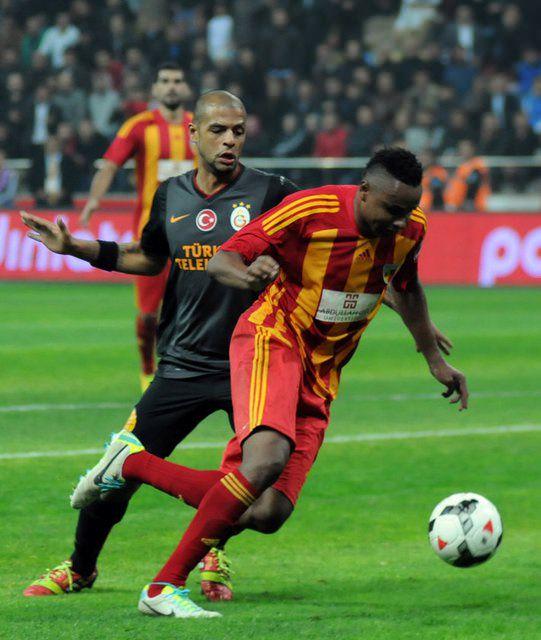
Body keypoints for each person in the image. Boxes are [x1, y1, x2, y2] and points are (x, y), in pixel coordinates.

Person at [21, 100, 452, 607]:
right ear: (194, 133)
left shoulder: (276, 193)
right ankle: (80, 566)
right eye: (219, 130)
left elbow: (349, 262)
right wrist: (75, 247)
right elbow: (148, 258)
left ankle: (211, 555)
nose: (230, 140)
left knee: (259, 486)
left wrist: (415, 325)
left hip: (262, 358)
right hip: (187, 358)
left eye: (239, 131)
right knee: (135, 478)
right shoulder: (171, 194)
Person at [79, 61, 196, 391]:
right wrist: (94, 199)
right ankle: (147, 369)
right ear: (155, 89)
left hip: (196, 233)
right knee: (148, 314)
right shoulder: (138, 127)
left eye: (177, 80)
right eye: (165, 80)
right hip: (152, 236)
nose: (171, 86)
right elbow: (109, 165)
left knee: (198, 311)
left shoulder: (200, 127)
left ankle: (189, 371)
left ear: (185, 88)